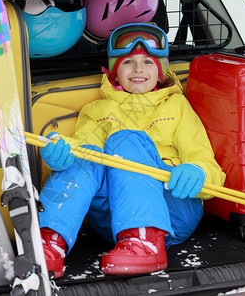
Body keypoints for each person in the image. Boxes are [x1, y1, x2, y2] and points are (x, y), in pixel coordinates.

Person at [37, 23, 226, 278]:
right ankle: (49, 243)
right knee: (86, 155)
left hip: (172, 207)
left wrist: (198, 173)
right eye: (128, 63)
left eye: (148, 62)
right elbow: (81, 150)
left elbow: (206, 163)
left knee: (126, 140)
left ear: (161, 70)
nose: (138, 69)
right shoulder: (96, 111)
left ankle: (146, 242)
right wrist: (62, 153)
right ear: (115, 71)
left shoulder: (177, 107)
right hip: (114, 219)